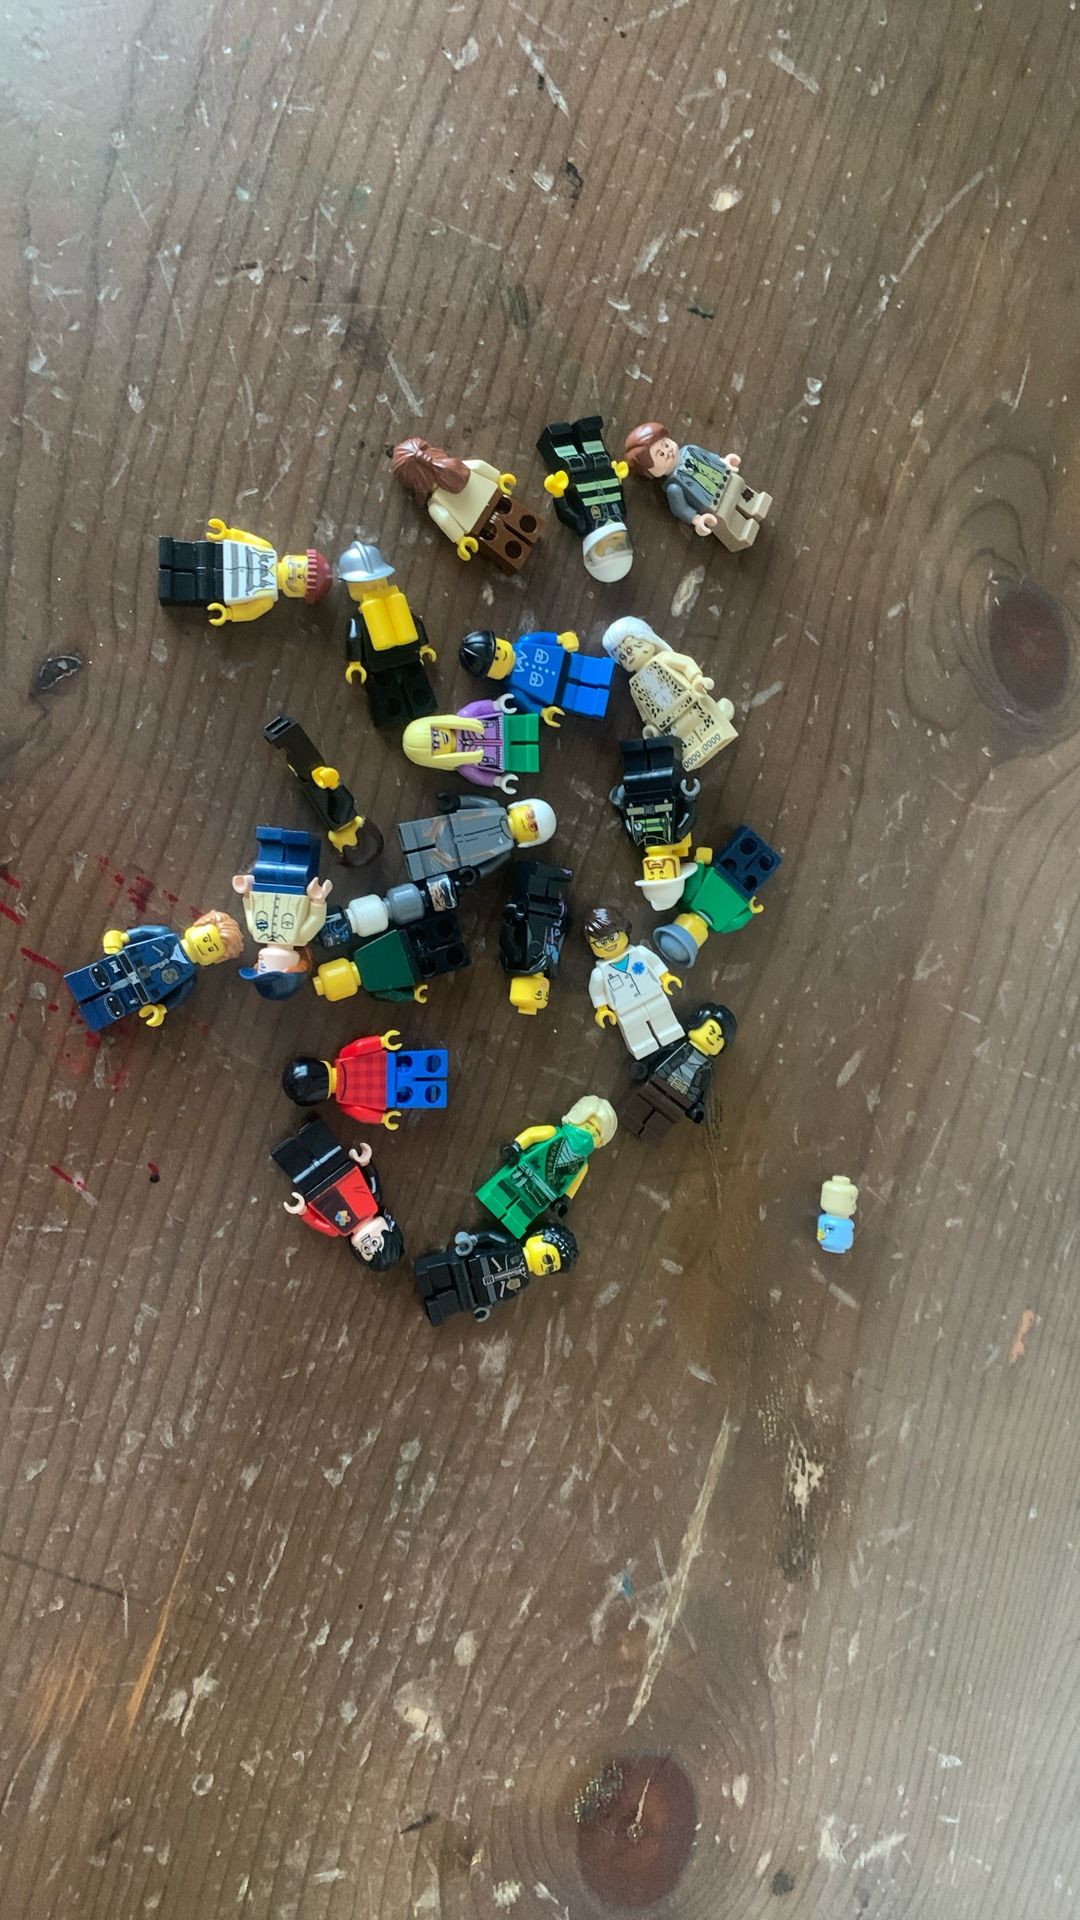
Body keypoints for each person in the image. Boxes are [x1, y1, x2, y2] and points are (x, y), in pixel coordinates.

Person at [624, 422, 771, 552]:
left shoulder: (691, 450)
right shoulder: (674, 487)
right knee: (730, 522)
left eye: (666, 445)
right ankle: (743, 534)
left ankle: (757, 505)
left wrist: (724, 461)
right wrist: (697, 520)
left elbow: (708, 457)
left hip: (729, 480)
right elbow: (681, 509)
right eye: (660, 454)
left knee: (744, 491)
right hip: (715, 507)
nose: (668, 452)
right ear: (652, 471)